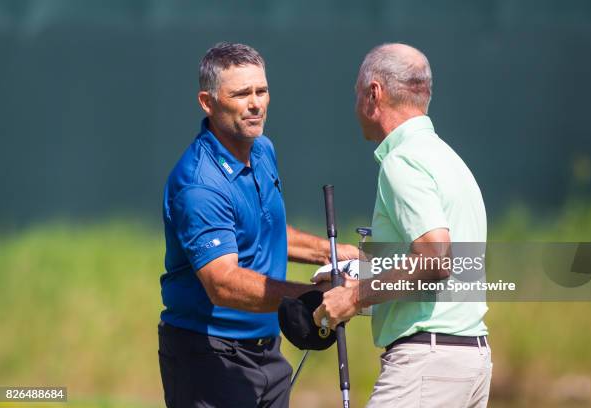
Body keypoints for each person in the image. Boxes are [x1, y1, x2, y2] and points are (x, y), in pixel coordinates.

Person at [158, 42, 358, 408]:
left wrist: (334, 252)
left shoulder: (262, 149)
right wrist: (313, 299)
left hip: (269, 354)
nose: (256, 104)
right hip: (211, 361)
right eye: (241, 94)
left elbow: (264, 231)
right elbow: (223, 284)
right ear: (208, 101)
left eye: (261, 91)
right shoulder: (198, 183)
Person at [313, 43, 492, 407]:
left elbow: (435, 258)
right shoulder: (448, 159)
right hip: (470, 359)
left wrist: (353, 297)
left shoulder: (403, 161)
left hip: (428, 362)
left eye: (357, 93)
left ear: (374, 94)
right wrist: (359, 280)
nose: (356, 105)